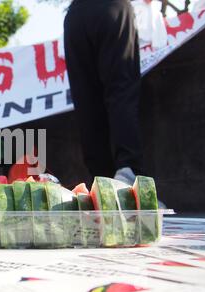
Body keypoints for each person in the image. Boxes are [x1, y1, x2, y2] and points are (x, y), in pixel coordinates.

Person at [63, 0, 142, 186]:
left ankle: (101, 181)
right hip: (111, 8)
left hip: (76, 16)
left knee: (86, 100)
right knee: (121, 92)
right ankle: (128, 172)